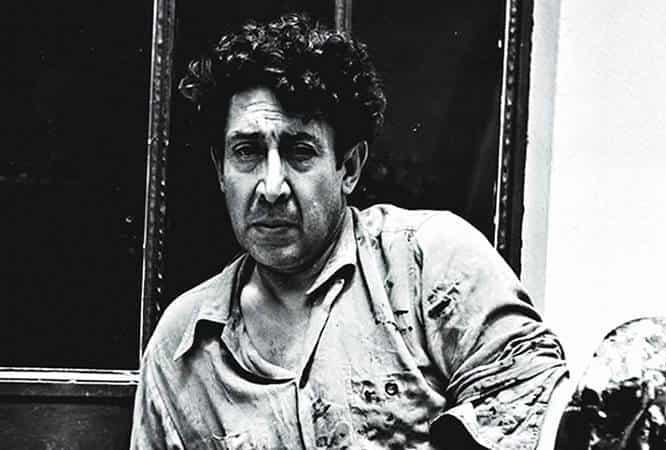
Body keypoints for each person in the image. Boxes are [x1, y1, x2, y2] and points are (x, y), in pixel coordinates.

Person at [130, 13, 568, 449]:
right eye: (246, 152)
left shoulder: (430, 265)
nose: (271, 187)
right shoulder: (180, 349)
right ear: (220, 170)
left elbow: (539, 414)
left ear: (350, 168)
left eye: (300, 152)